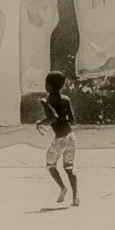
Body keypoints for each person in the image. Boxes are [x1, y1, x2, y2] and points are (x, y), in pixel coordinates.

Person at [36, 72, 78, 206]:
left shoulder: (45, 100)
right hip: (71, 136)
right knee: (69, 167)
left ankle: (63, 187)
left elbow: (53, 117)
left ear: (47, 86)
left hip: (60, 138)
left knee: (50, 164)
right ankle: (75, 197)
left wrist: (40, 123)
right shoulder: (66, 99)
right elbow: (72, 120)